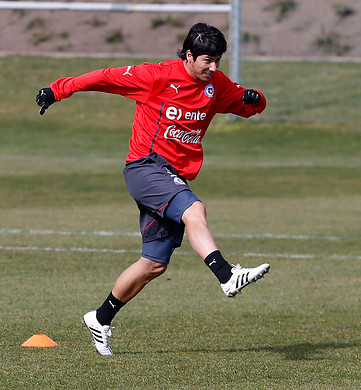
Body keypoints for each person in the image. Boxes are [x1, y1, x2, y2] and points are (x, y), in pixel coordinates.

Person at [35, 23, 271, 356]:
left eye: (218, 60)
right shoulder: (156, 76)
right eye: (208, 60)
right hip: (145, 167)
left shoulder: (215, 84)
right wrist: (57, 90)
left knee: (154, 263)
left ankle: (100, 318)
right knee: (195, 210)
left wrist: (254, 98)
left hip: (173, 175)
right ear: (188, 55)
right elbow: (103, 77)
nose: (214, 68)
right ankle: (226, 273)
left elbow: (251, 107)